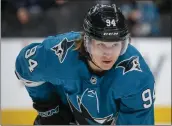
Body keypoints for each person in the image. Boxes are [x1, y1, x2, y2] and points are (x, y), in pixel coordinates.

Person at [15, 4, 155, 125]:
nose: (109, 53)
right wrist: (48, 109)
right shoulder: (59, 54)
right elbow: (23, 66)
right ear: (87, 42)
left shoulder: (137, 77)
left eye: (115, 44)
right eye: (101, 44)